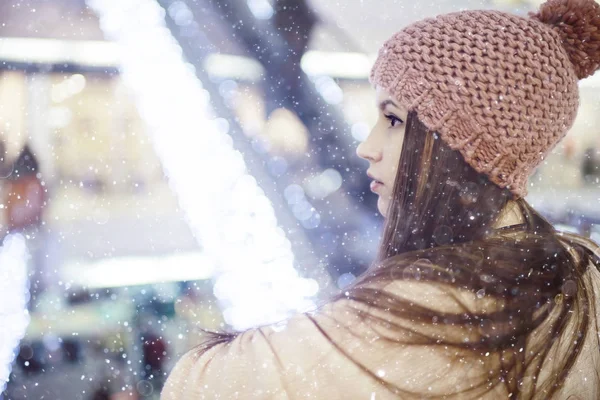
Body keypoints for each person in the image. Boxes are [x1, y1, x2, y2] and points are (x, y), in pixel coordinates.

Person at [161, 0, 600, 398]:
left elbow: (198, 386)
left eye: (392, 119)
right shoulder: (582, 279)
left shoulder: (420, 320)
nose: (366, 146)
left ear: (461, 147)